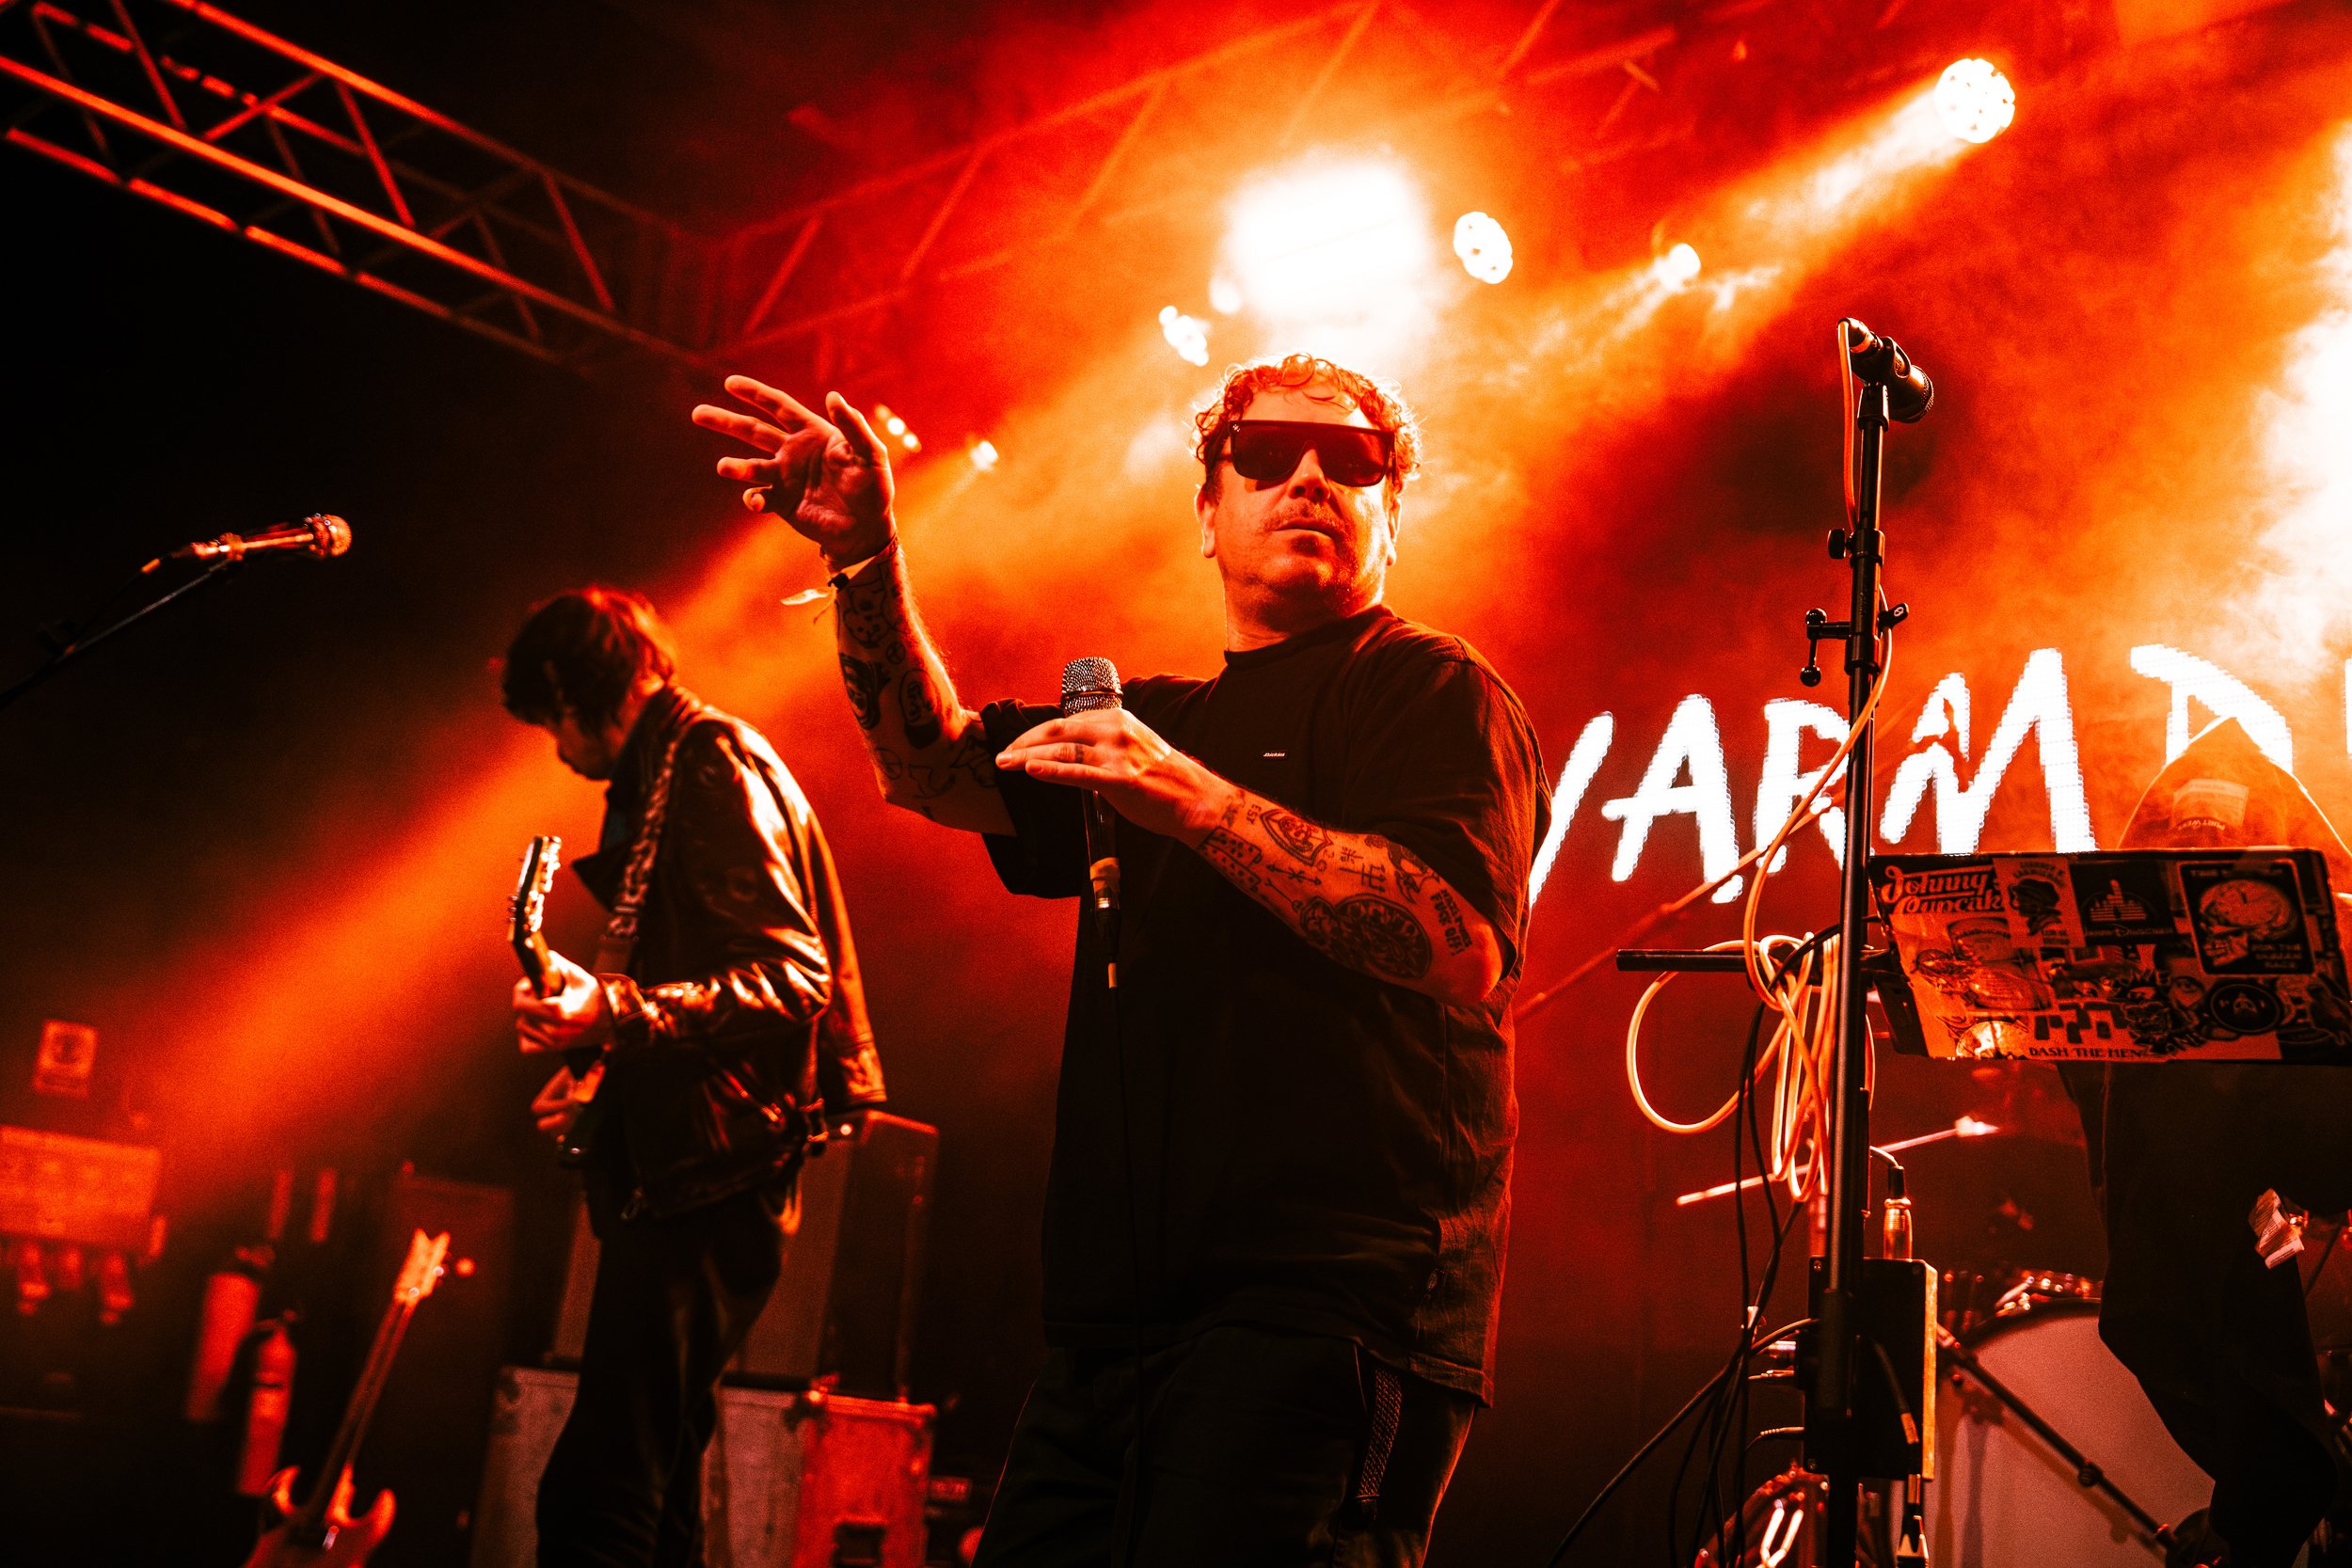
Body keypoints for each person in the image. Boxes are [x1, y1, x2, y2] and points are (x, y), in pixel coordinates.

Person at [694, 354, 1549, 1566]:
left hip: (1325, 1315)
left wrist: (1190, 802)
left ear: (1392, 513)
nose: (1309, 477)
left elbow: (1455, 941)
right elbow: (930, 768)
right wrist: (866, 560)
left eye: (1352, 460)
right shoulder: (1157, 719)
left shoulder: (1428, 689)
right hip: (1111, 1330)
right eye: (1266, 455)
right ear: (1207, 510)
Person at [503, 587, 886, 1568]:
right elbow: (698, 977)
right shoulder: (669, 771)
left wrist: (614, 1012)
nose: (556, 746)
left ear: (574, 691)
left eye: (551, 718)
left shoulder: (710, 759)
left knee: (598, 1495)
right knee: (658, 1484)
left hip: (715, 1174)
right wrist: (596, 1063)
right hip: (688, 1168)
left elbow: (791, 975)